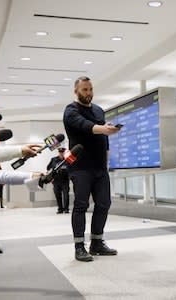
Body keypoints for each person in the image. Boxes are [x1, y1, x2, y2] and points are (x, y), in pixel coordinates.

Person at [63, 76, 120, 262]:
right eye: (84, 90)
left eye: (90, 89)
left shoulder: (99, 110)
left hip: (100, 167)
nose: (88, 93)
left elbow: (103, 136)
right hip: (80, 167)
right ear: (76, 91)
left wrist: (107, 132)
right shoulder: (70, 110)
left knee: (104, 204)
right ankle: (79, 246)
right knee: (81, 205)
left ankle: (97, 242)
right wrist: (103, 129)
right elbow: (84, 126)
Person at [47, 147, 70, 213]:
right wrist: (50, 177)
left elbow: (71, 169)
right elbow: (48, 168)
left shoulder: (68, 160)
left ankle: (66, 209)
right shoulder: (53, 159)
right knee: (57, 195)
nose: (61, 154)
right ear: (58, 152)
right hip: (56, 181)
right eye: (60, 152)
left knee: (66, 195)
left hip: (65, 180)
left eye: (62, 152)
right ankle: (60, 209)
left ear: (64, 152)